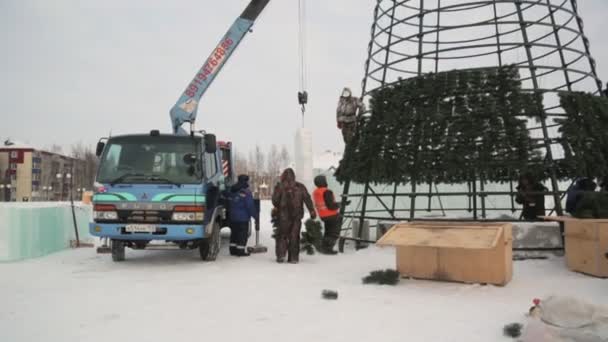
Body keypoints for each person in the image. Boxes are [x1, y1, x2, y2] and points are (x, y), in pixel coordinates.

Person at [272, 168, 316, 264]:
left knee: (282, 236)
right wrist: (312, 211)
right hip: (297, 216)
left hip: (283, 216)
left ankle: (281, 256)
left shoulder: (280, 186)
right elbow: (307, 199)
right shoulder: (300, 186)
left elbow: (275, 201)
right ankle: (293, 258)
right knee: (294, 236)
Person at [227, 175, 257, 257]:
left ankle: (232, 250)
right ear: (246, 181)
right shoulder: (246, 192)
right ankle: (240, 251)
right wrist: (255, 216)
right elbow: (250, 206)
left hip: (233, 217)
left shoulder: (232, 190)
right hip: (242, 218)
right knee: (242, 235)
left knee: (234, 234)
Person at [312, 175, 341, 255]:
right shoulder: (327, 191)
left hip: (323, 216)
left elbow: (324, 203)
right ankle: (328, 249)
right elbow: (331, 206)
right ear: (323, 182)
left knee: (328, 232)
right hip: (332, 215)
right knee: (334, 233)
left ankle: (323, 247)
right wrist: (339, 205)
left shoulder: (316, 192)